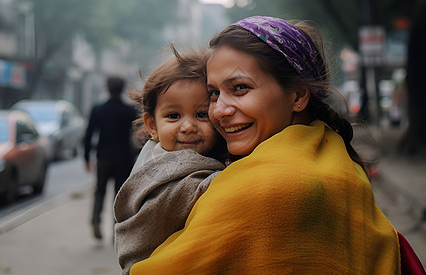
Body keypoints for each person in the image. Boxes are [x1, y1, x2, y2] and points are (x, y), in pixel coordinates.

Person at [126, 16, 424, 274]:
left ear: (297, 96)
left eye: (240, 88)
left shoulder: (266, 185)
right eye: (214, 94)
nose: (219, 111)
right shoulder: (330, 153)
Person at [113, 46, 227, 274]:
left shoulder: (200, 157)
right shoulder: (161, 163)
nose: (187, 126)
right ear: (152, 125)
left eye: (201, 114)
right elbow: (195, 192)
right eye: (173, 116)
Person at [84, 76, 138, 240]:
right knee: (119, 195)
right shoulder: (129, 111)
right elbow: (138, 136)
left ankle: (95, 219)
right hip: (124, 158)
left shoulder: (98, 109)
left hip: (103, 158)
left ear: (107, 89)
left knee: (99, 191)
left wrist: (87, 158)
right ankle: (117, 229)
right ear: (122, 89)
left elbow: (88, 135)